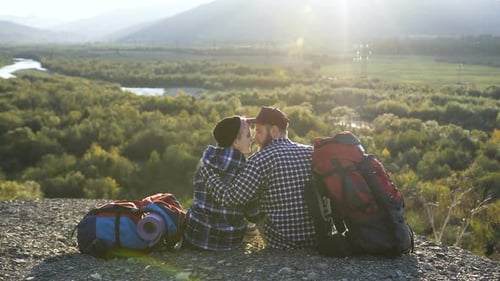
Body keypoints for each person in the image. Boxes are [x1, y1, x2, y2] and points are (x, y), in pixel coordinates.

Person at [199, 107, 316, 249]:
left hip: (282, 241)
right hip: (316, 237)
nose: (254, 138)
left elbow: (229, 198)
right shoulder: (311, 152)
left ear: (273, 131)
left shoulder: (259, 160)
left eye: (259, 131)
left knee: (252, 202)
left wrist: (207, 172)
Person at [182, 116, 261, 251]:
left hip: (196, 236)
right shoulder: (245, 169)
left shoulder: (206, 160)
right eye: (248, 135)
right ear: (235, 142)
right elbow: (253, 213)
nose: (252, 139)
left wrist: (240, 122)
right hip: (227, 241)